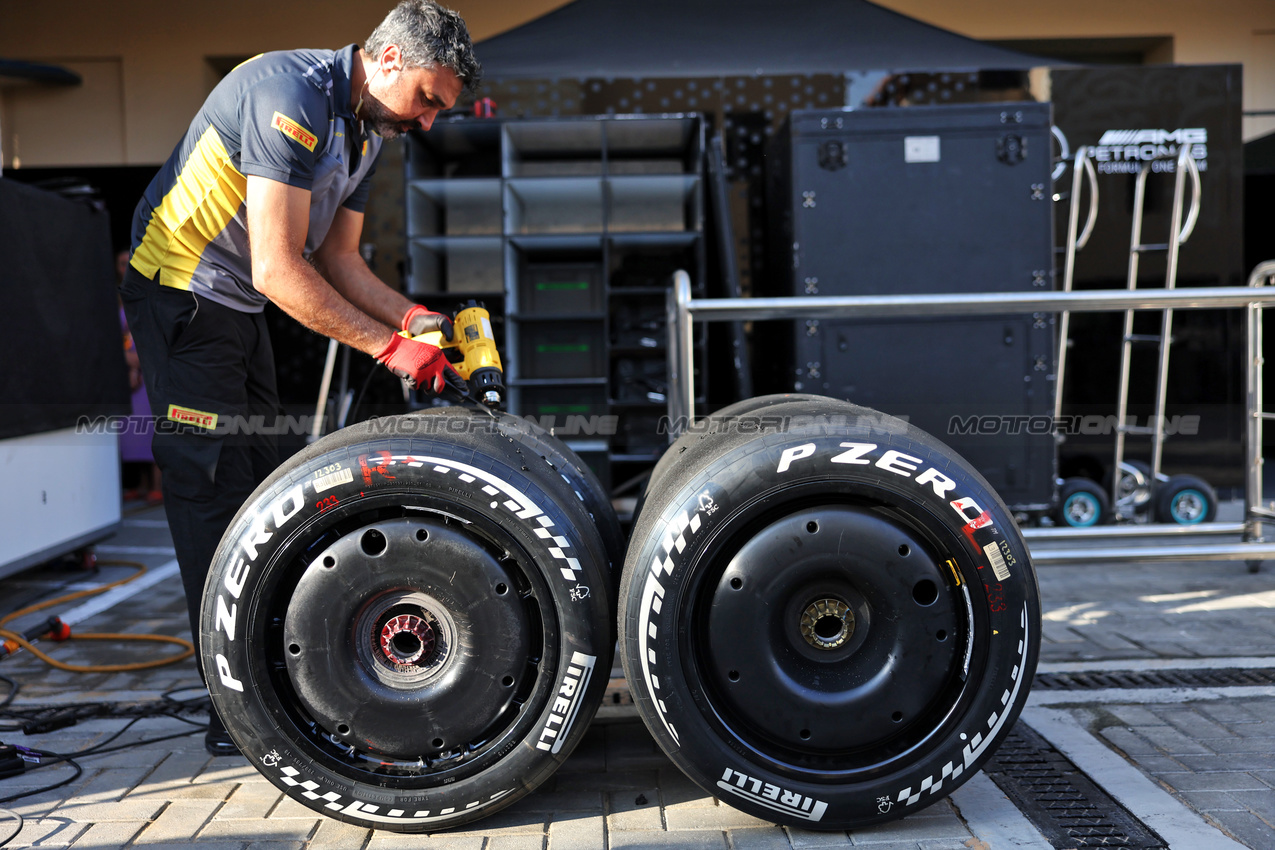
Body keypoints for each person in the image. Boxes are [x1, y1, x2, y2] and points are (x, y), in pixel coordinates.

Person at [120, 0, 480, 755]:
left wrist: (416, 319)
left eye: (439, 110)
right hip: (183, 293)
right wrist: (387, 348)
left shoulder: (367, 131)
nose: (426, 122)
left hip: (237, 304)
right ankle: (235, 711)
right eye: (426, 99)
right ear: (387, 59)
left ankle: (269, 680)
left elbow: (339, 261)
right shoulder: (288, 95)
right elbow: (279, 268)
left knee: (264, 486)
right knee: (212, 492)